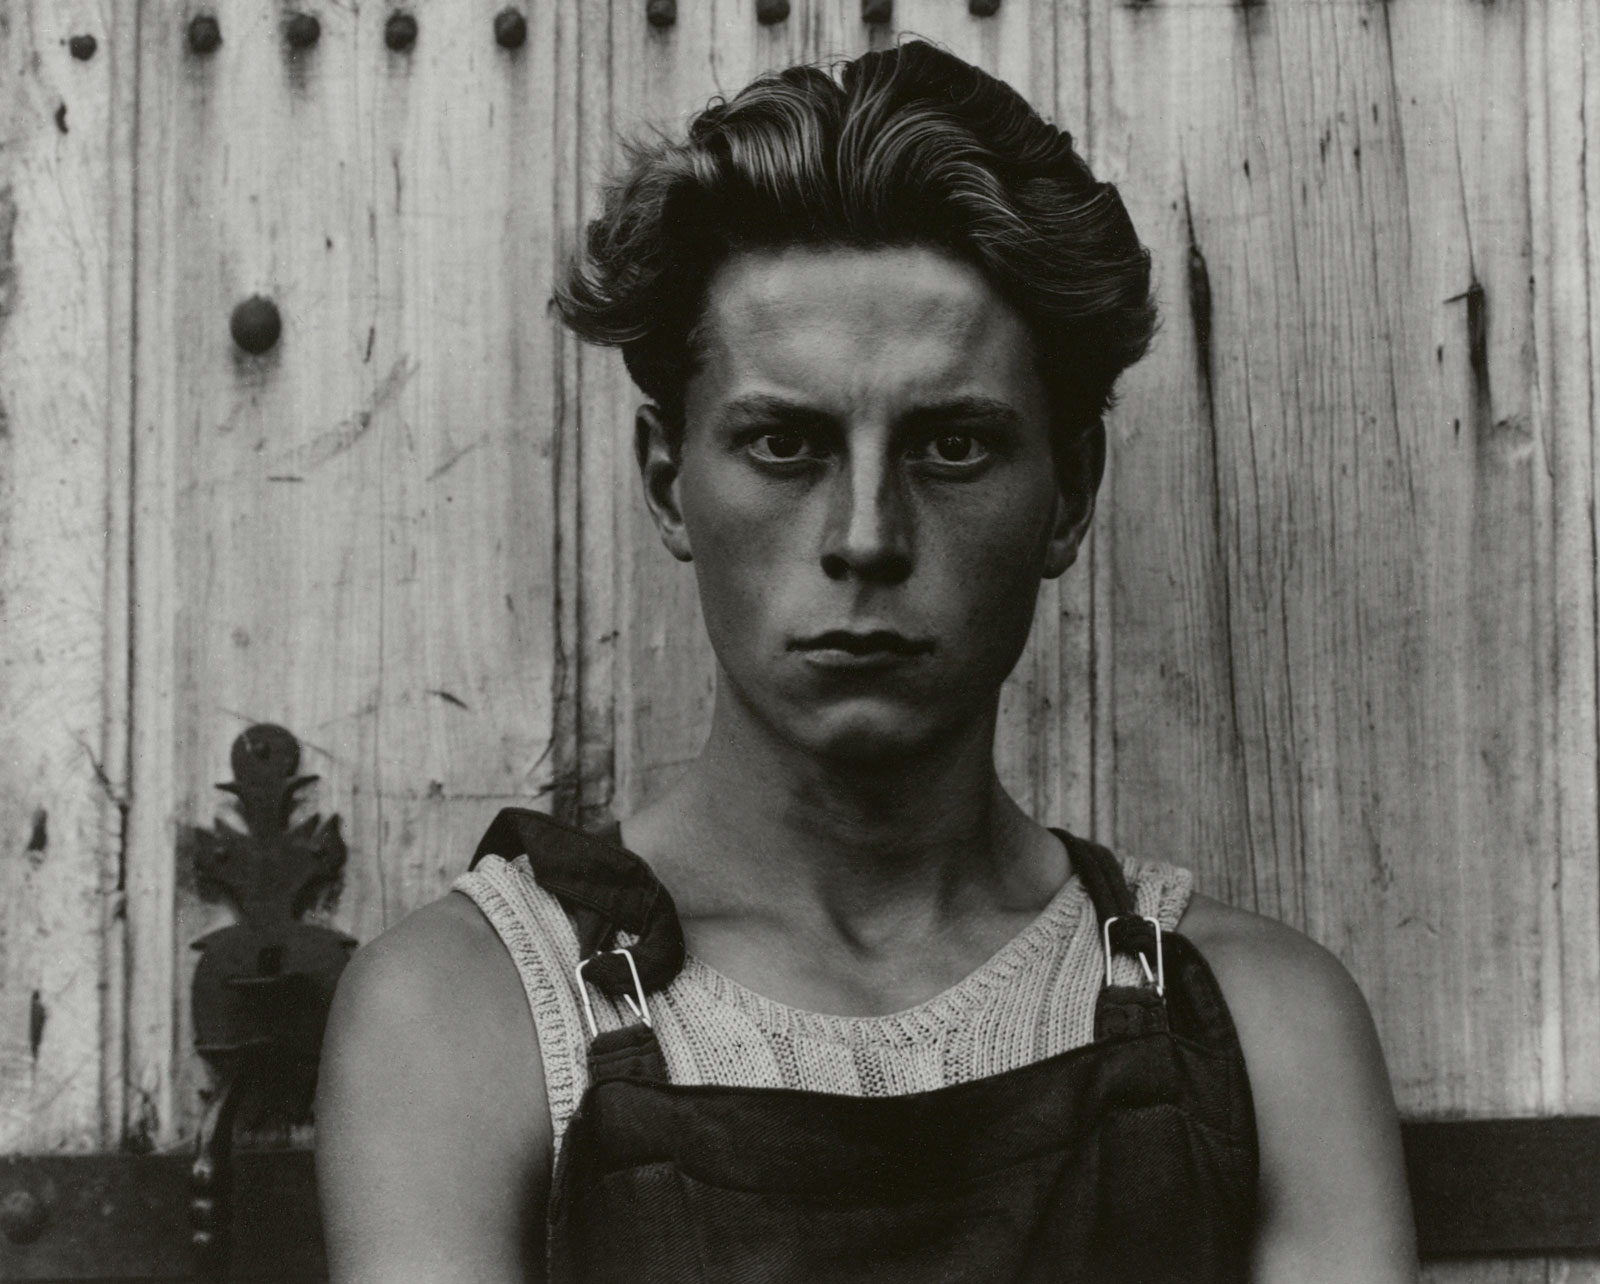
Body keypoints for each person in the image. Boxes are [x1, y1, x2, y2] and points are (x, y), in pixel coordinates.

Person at [315, 40, 1417, 1283]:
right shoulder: (470, 1016)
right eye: (784, 444)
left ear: (1068, 496)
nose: (865, 538)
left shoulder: (1264, 1026)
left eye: (951, 447)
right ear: (668, 483)